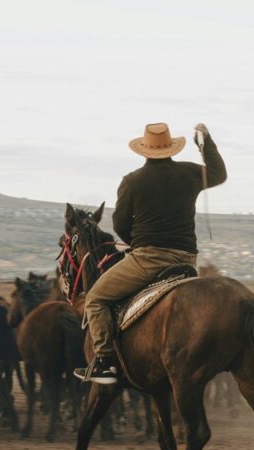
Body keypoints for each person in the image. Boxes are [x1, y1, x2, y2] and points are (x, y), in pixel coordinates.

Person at [76, 122, 227, 384]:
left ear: (144, 150)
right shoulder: (189, 173)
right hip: (187, 260)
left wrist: (137, 242)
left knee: (96, 298)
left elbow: (120, 224)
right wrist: (206, 142)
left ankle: (105, 362)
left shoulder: (133, 181)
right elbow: (219, 174)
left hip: (147, 260)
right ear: (170, 148)